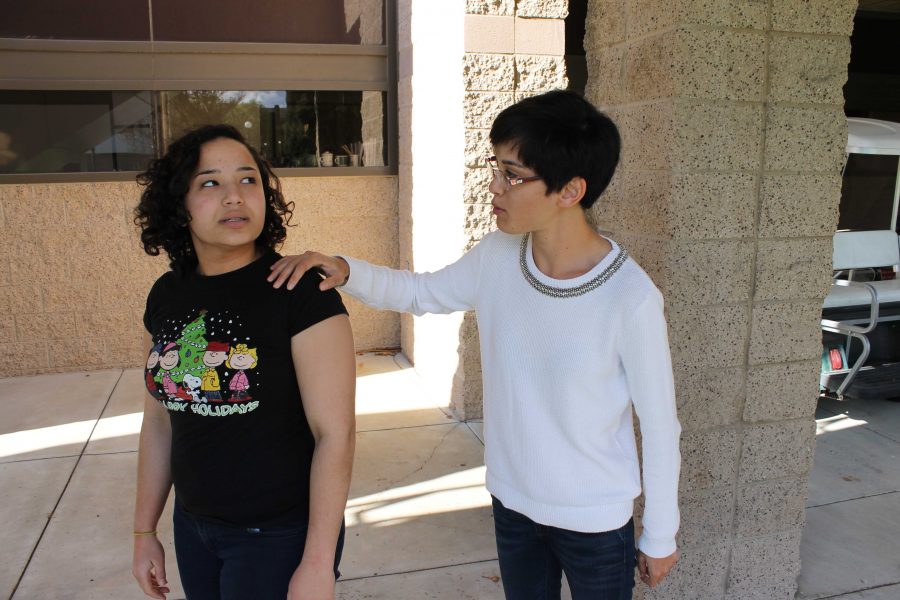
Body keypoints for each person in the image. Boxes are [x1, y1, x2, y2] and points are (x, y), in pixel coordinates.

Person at [268, 90, 681, 599]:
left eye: (513, 175)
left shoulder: (630, 297)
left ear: (570, 190)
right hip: (511, 504)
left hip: (595, 522)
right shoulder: (499, 256)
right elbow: (421, 292)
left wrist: (660, 533)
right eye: (496, 167)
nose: (494, 186)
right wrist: (346, 269)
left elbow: (660, 424)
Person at [132, 124, 355, 600]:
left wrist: (317, 563)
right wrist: (144, 531)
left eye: (248, 179)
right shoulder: (167, 294)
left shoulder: (301, 293)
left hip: (277, 536)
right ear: (179, 204)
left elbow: (334, 435)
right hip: (193, 527)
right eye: (210, 182)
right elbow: (159, 421)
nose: (235, 196)